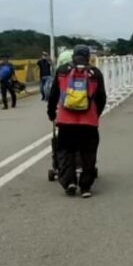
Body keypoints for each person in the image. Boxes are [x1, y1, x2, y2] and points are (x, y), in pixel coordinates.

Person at [47, 45, 107, 198]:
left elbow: (53, 94)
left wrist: (51, 113)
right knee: (88, 152)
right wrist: (96, 114)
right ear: (88, 56)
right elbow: (101, 97)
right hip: (88, 122)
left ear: (73, 55)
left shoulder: (62, 71)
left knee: (65, 151)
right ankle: (85, 186)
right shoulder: (95, 73)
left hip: (66, 121)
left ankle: (69, 182)